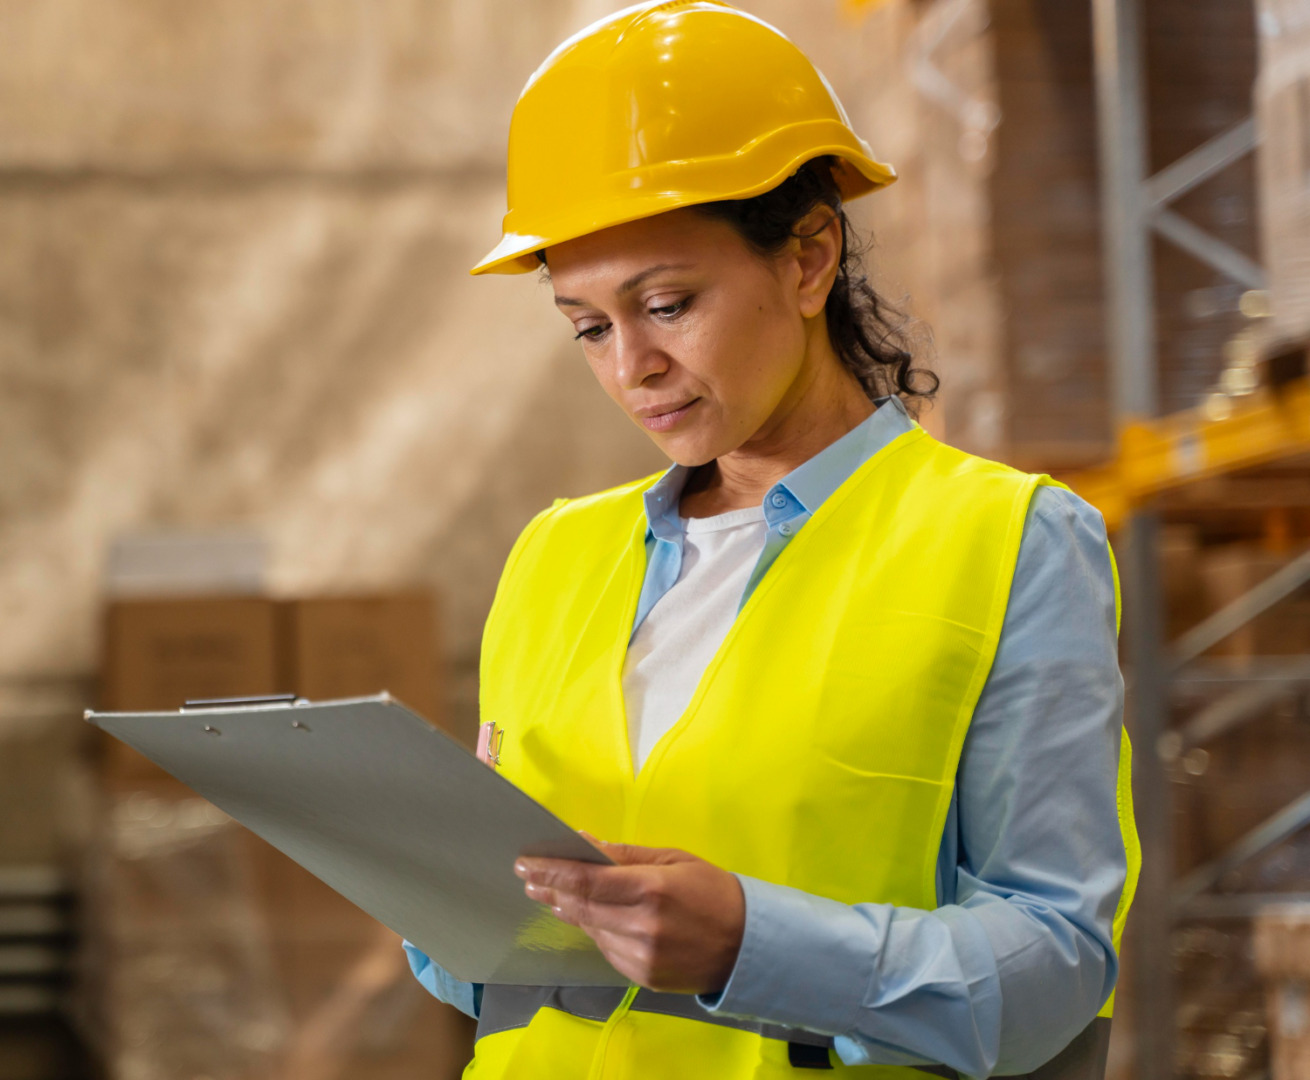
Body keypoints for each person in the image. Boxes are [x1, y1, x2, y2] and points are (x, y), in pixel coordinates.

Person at [405, 3, 1140, 1077]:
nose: (631, 367)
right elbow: (478, 969)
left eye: (665, 302)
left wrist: (753, 945)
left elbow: (1057, 967)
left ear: (807, 259)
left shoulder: (1008, 541)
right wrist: (441, 885)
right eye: (588, 327)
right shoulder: (554, 557)